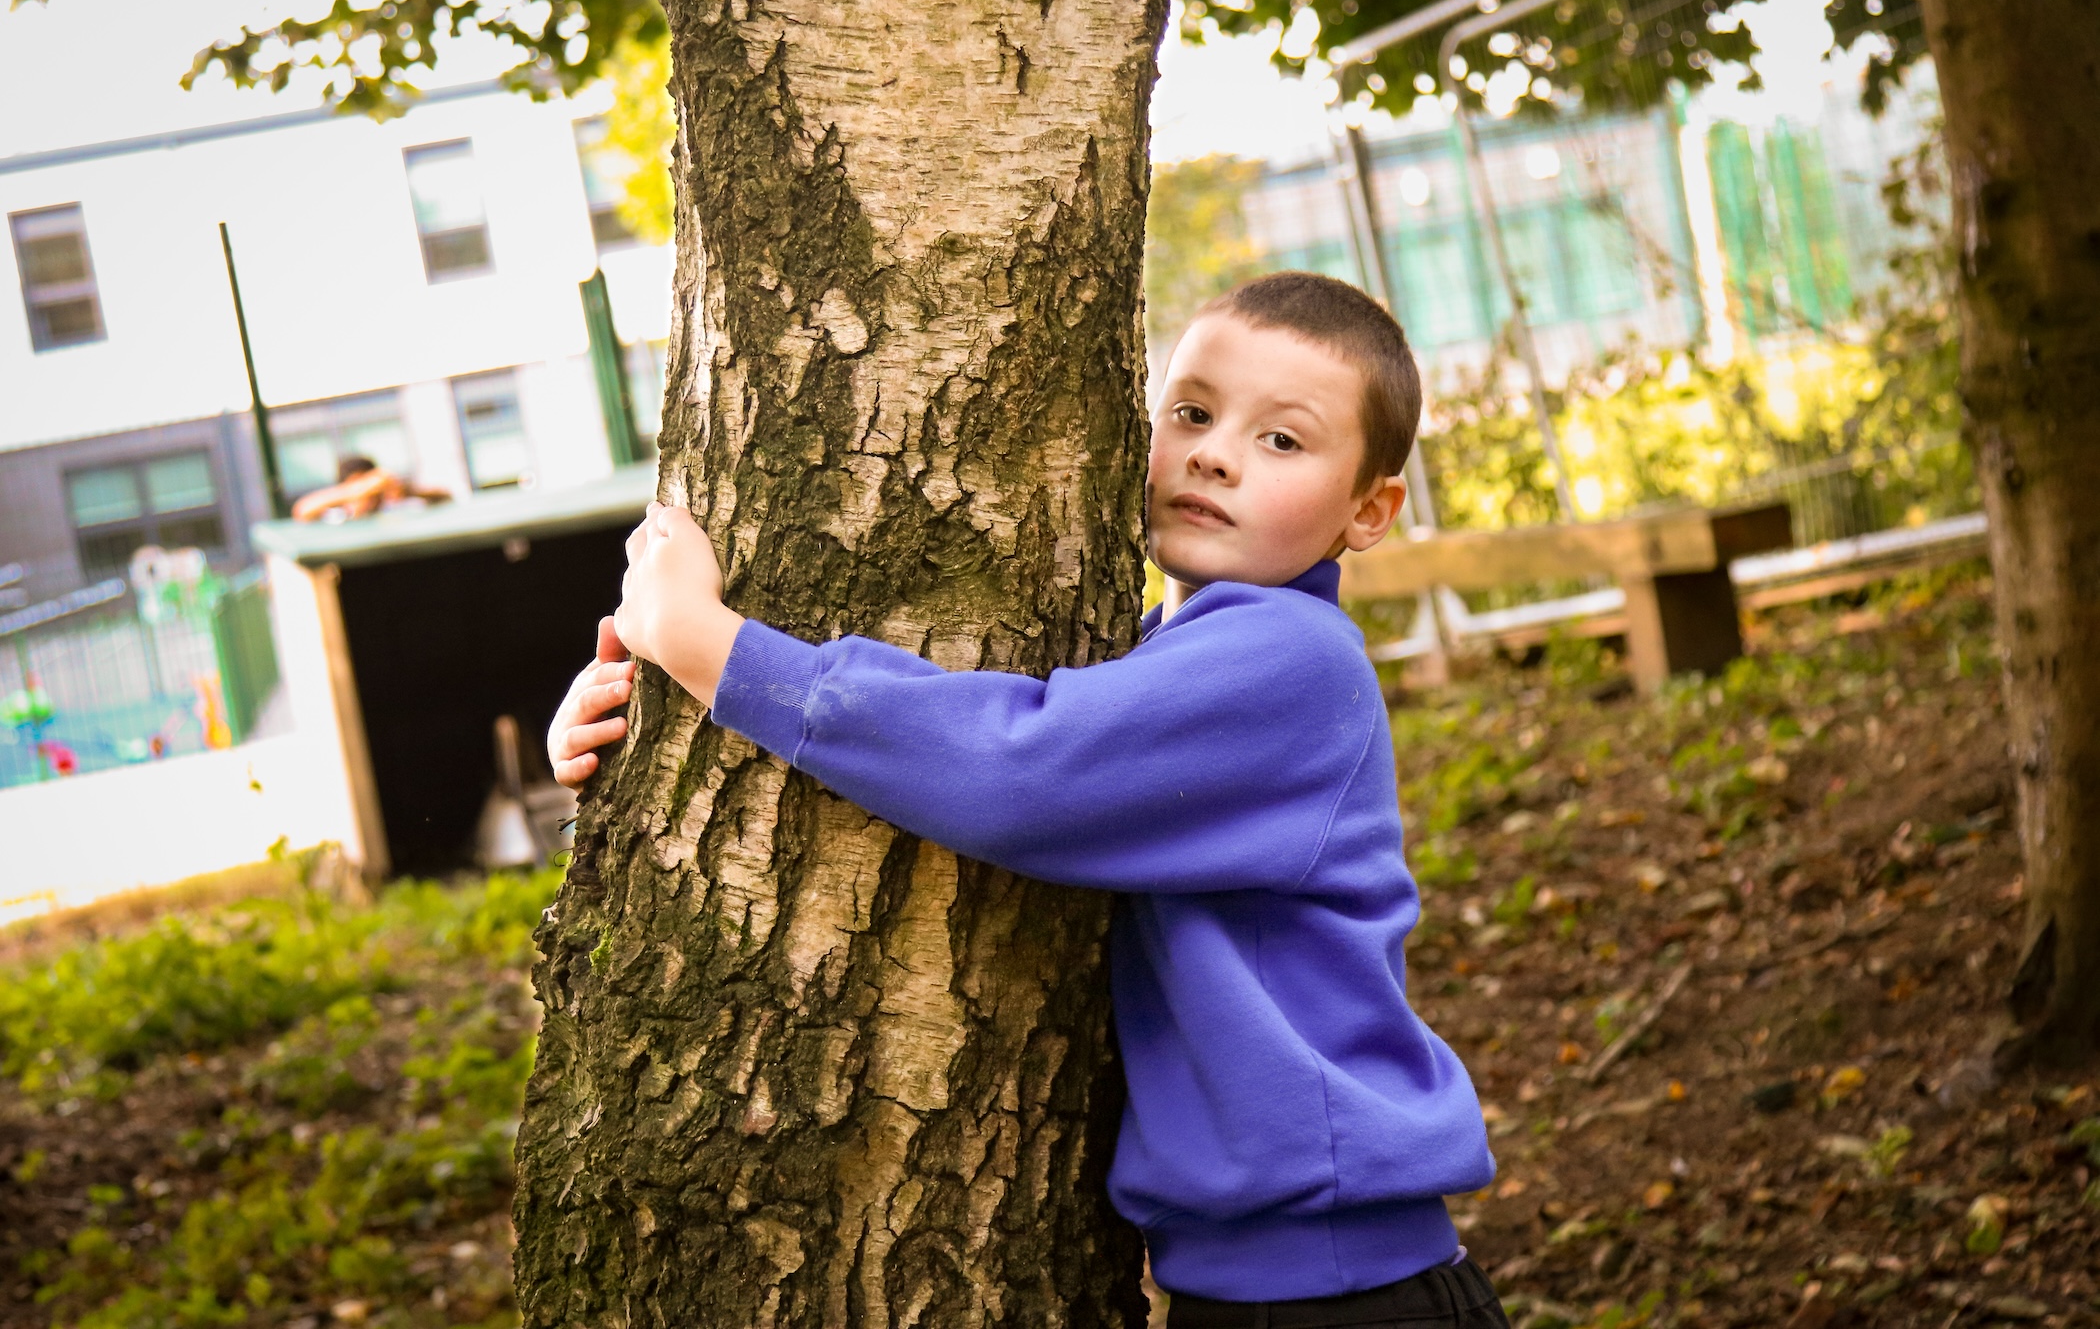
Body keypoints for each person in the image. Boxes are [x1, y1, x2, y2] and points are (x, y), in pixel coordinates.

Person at [548, 272, 1506, 1328]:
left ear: (1368, 509)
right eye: (1191, 412)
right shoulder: (1169, 653)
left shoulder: (1292, 660)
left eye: (1282, 440)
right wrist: (637, 720)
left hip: (1346, 1292)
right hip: (1264, 1284)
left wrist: (713, 647)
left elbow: (1018, 768)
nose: (1214, 451)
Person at [290, 455, 452, 522]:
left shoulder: (395, 509)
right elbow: (302, 510)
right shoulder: (338, 515)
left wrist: (402, 489)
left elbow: (444, 497)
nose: (366, 494)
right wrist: (354, 491)